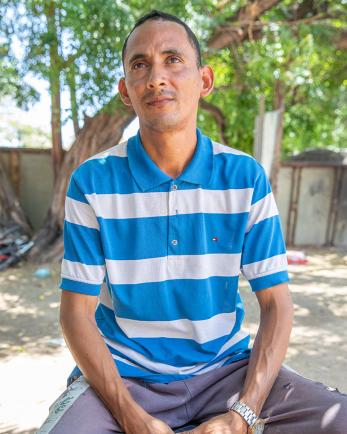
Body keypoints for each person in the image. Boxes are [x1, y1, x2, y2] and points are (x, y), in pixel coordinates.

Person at [37, 9, 347, 434]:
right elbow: (76, 314)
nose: (156, 77)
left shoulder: (245, 178)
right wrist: (130, 415)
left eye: (173, 59)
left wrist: (244, 414)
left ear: (204, 80)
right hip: (125, 377)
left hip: (226, 372)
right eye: (139, 65)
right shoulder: (92, 182)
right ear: (125, 91)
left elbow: (276, 304)